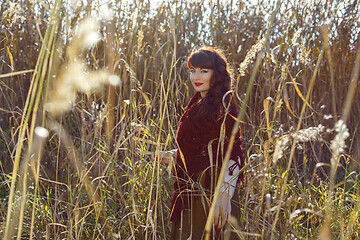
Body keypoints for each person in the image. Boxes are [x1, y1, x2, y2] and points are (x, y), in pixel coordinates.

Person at [157, 46, 244, 239]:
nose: (196, 76)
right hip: (191, 190)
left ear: (217, 74)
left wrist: (225, 194)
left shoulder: (224, 105)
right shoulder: (196, 104)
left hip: (213, 190)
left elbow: (235, 153)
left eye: (204, 71)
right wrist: (173, 155)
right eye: (192, 71)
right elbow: (200, 147)